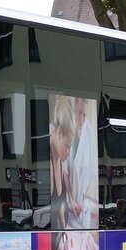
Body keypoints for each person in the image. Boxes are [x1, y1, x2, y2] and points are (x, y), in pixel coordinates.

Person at [64, 97, 96, 228]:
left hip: (84, 204)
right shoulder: (66, 130)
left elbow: (93, 170)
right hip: (69, 202)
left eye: (84, 114)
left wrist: (85, 200)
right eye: (79, 113)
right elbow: (64, 169)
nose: (81, 118)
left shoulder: (88, 130)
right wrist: (71, 199)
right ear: (73, 111)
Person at [49, 95, 77, 229]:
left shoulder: (60, 160)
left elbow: (59, 208)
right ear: (59, 132)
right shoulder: (46, 160)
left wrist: (66, 231)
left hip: (59, 243)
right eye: (67, 146)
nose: (68, 152)